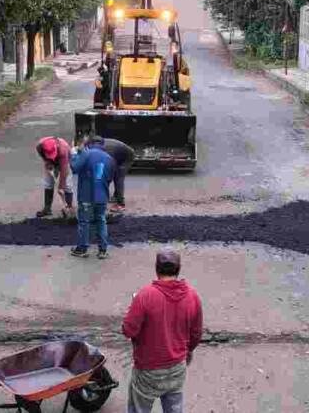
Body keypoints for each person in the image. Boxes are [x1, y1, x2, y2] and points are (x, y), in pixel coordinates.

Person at [122, 248, 203, 413]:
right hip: (177, 368)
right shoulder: (193, 296)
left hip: (148, 370)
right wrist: (187, 352)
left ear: (156, 269)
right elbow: (196, 334)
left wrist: (133, 307)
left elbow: (128, 330)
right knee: (174, 408)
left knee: (139, 408)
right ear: (178, 269)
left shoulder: (144, 296)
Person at [70, 136, 116, 258]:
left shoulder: (86, 153)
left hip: (86, 195)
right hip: (102, 196)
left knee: (84, 222)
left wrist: (74, 154)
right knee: (101, 220)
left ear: (89, 144)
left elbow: (74, 167)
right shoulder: (109, 158)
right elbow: (111, 177)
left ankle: (82, 249)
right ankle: (103, 250)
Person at [35, 136, 73, 218]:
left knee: (67, 185)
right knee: (48, 183)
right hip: (50, 162)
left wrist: (61, 187)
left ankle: (68, 208)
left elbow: (64, 171)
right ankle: (47, 209)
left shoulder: (63, 149)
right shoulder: (39, 146)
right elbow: (44, 157)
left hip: (65, 161)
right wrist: (48, 163)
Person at [100, 137, 136, 211]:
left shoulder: (107, 149)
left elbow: (108, 165)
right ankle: (115, 196)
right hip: (118, 155)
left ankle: (121, 204)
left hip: (127, 157)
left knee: (118, 178)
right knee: (114, 176)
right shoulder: (99, 145)